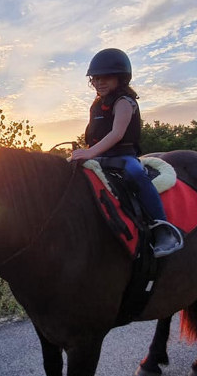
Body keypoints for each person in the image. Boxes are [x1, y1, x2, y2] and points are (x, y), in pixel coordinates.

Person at [71, 48, 183, 258]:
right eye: (95, 78)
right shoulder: (96, 104)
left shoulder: (124, 102)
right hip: (98, 156)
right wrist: (85, 153)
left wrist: (89, 152)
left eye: (106, 77)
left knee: (136, 174)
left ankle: (163, 229)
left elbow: (116, 133)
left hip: (121, 157)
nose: (99, 82)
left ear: (121, 78)